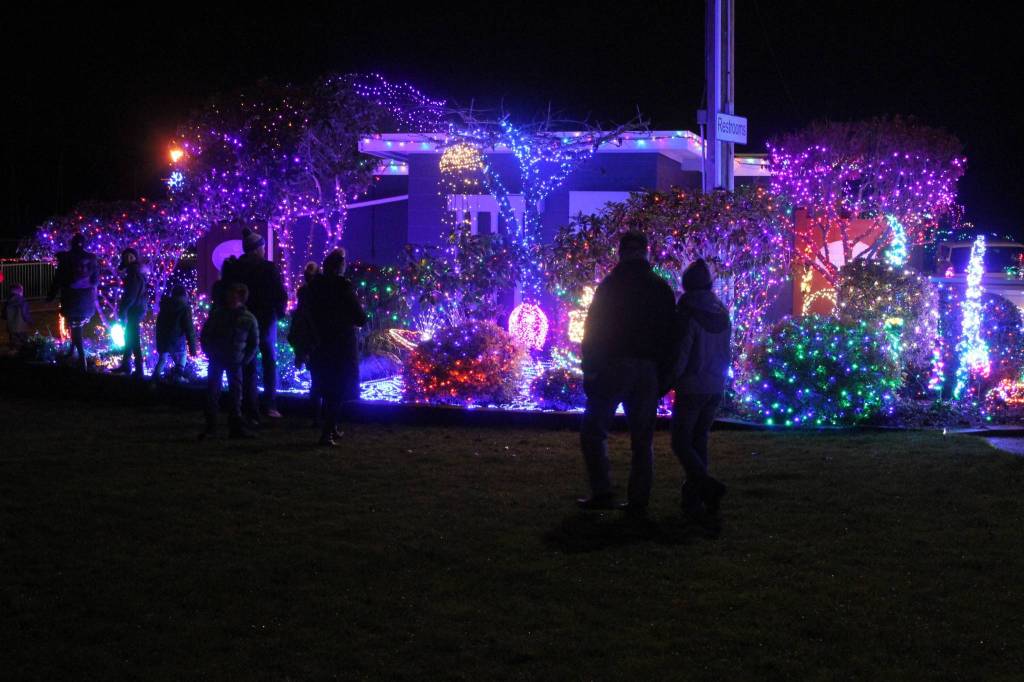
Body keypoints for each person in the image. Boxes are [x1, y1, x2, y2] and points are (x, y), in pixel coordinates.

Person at [578, 232, 677, 516]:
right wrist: (664, 373)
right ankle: (638, 499)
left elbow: (594, 329)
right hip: (647, 369)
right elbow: (671, 335)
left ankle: (603, 490)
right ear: (647, 252)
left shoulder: (611, 286)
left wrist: (591, 368)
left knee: (593, 430)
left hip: (613, 365)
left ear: (620, 252)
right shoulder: (660, 287)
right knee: (642, 439)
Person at [671, 258, 732, 524]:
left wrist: (669, 380)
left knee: (681, 441)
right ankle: (694, 500)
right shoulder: (721, 312)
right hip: (715, 386)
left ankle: (707, 486)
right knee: (699, 441)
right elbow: (726, 351)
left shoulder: (687, 313)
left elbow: (682, 352)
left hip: (692, 385)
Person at [221, 225, 288, 420]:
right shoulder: (268, 268)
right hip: (266, 320)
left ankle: (250, 407)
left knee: (246, 363)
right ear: (259, 248)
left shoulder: (235, 268)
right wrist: (279, 313)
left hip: (241, 320)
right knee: (269, 362)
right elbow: (280, 293)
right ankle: (270, 405)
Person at [305, 248, 367, 446]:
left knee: (324, 384)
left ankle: (330, 427)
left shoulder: (315, 287)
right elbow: (359, 317)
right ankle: (327, 432)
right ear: (340, 266)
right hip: (341, 343)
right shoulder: (343, 287)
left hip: (319, 341)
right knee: (338, 388)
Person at [200, 281, 259, 439]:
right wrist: (210, 352)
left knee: (235, 395)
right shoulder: (219, 315)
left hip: (234, 360)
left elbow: (254, 343)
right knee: (213, 393)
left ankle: (234, 427)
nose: (230, 297)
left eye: (233, 294)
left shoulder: (247, 318)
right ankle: (212, 427)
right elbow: (205, 335)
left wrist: (244, 359)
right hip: (219, 358)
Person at [46, 233, 99, 370]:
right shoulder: (92, 258)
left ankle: (82, 361)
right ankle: (71, 351)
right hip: (87, 298)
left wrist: (51, 296)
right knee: (76, 326)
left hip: (72, 298)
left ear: (72, 243)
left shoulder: (66, 258)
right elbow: (96, 280)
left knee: (75, 329)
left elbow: (58, 279)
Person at [290, 261, 323, 426]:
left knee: (315, 378)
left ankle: (315, 414)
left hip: (307, 339)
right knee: (319, 378)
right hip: (316, 339)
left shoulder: (303, 295)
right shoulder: (320, 294)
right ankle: (318, 415)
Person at [152, 285, 197, 383]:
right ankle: (178, 377)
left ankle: (154, 380)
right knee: (182, 356)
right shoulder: (184, 307)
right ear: (184, 295)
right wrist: (193, 347)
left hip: (163, 338)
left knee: (162, 358)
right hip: (177, 339)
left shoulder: (165, 306)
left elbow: (159, 323)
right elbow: (189, 328)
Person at [114, 248, 148, 377]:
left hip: (134, 309)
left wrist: (123, 311)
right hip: (137, 308)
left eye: (130, 257)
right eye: (126, 258)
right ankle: (126, 365)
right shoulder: (136, 271)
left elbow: (131, 295)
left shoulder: (134, 273)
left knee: (133, 338)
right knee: (129, 337)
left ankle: (139, 369)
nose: (127, 260)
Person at [3, 282, 33, 350]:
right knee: (23, 342)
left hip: (11, 327)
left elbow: (4, 314)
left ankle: (14, 354)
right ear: (19, 291)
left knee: (14, 342)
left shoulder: (8, 301)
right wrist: (30, 321)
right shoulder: (22, 301)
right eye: (22, 290)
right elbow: (25, 313)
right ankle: (23, 355)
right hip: (21, 327)